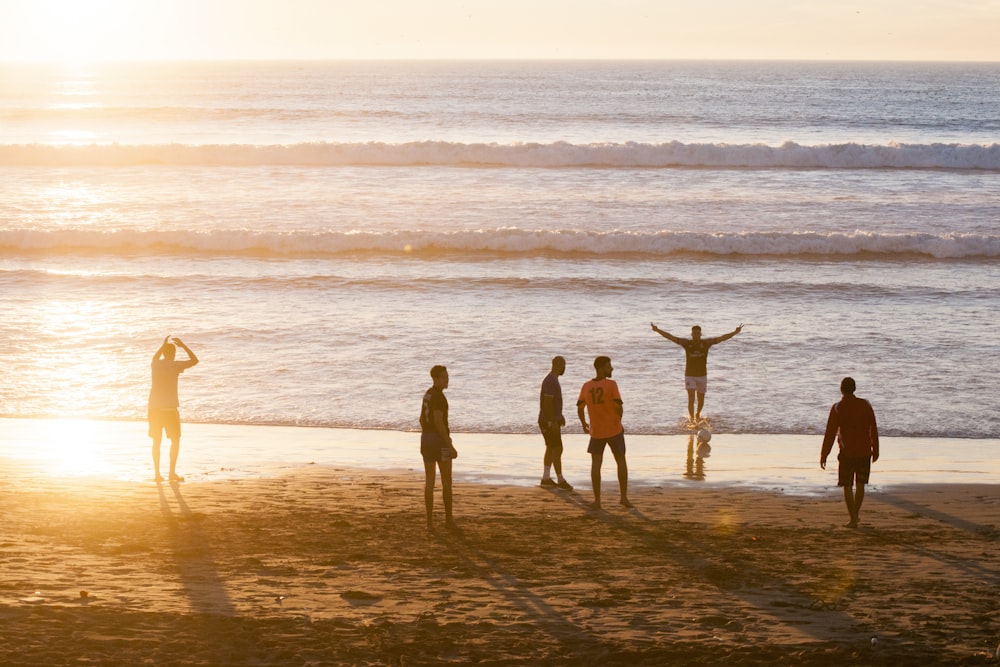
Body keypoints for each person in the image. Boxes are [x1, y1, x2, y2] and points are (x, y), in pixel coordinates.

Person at [650, 322, 743, 425]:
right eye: (694, 333)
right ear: (691, 334)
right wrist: (657, 330)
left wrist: (735, 332)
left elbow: (721, 338)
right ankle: (692, 419)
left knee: (701, 399)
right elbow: (671, 337)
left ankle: (698, 414)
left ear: (700, 334)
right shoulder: (686, 343)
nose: (696, 335)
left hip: (702, 375)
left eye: (698, 333)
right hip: (689, 375)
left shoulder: (706, 343)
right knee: (691, 398)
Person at [820, 377, 880, 528]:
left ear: (841, 389)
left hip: (847, 453)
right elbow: (873, 427)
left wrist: (824, 453)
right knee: (860, 484)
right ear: (854, 388)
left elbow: (830, 433)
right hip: (865, 451)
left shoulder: (837, 407)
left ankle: (853, 519)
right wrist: (876, 449)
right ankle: (855, 516)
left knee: (847, 485)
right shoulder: (865, 405)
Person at [577, 356, 631, 509]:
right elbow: (619, 406)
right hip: (614, 429)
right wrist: (619, 419)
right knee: (621, 461)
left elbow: (580, 408)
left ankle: (597, 501)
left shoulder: (586, 386)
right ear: (600, 368)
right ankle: (623, 497)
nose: (611, 369)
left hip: (596, 431)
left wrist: (583, 424)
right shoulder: (611, 385)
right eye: (609, 366)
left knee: (596, 464)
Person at [148, 336, 199, 483]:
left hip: (154, 408)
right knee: (175, 440)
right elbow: (195, 360)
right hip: (169, 409)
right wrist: (183, 345)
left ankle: (157, 474)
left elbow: (155, 357)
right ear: (174, 354)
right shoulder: (175, 365)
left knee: (156, 441)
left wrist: (162, 346)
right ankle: (171, 473)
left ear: (163, 353)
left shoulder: (155, 364)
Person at [420, 365, 458, 530]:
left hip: (426, 439)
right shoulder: (439, 398)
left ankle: (429, 522)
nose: (447, 379)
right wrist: (450, 445)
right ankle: (448, 520)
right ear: (435, 378)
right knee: (446, 481)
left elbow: (422, 418)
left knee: (429, 482)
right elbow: (438, 422)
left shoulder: (428, 394)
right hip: (438, 441)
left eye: (447, 376)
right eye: (444, 377)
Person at [538, 356, 572, 490]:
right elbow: (547, 402)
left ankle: (546, 477)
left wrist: (560, 416)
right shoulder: (551, 381)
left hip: (548, 419)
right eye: (564, 365)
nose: (565, 368)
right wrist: (552, 421)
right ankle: (560, 479)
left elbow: (552, 402)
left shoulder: (552, 380)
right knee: (557, 448)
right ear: (559, 365)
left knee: (551, 447)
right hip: (548, 421)